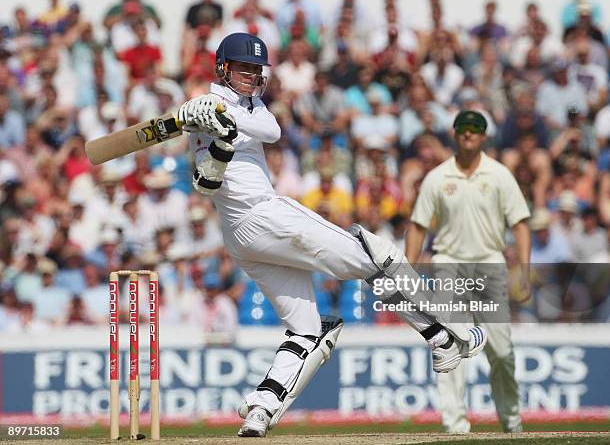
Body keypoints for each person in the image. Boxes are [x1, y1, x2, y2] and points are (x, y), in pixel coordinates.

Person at [177, 32, 488, 437]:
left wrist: (224, 119)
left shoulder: (243, 107)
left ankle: (261, 410)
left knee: (309, 329)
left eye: (257, 69)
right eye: (244, 68)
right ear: (222, 69)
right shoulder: (205, 108)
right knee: (376, 252)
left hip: (243, 241)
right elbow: (205, 182)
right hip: (265, 216)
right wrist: (212, 127)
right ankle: (454, 331)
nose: (252, 76)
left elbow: (270, 130)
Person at [406, 110, 531, 433]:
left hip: (490, 264)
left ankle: (512, 420)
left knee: (501, 351)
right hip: (448, 264)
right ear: (455, 133)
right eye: (463, 129)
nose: (469, 134)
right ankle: (455, 425)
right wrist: (404, 275)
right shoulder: (437, 177)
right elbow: (418, 226)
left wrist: (526, 272)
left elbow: (520, 223)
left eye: (475, 129)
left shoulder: (500, 175)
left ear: (484, 135)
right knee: (451, 349)